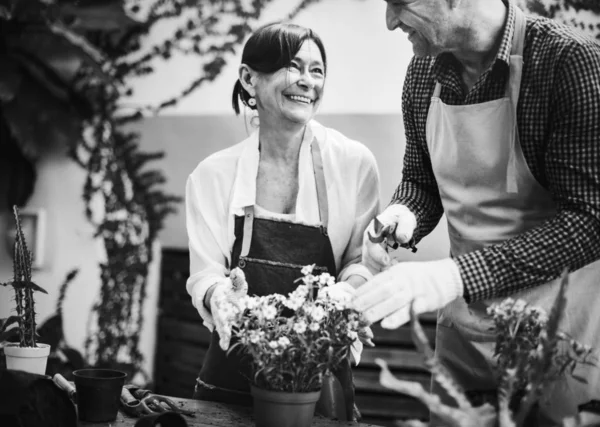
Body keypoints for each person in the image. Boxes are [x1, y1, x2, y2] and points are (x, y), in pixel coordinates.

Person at [354, 0, 600, 424]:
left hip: (559, 340)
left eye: (400, 4)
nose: (391, 22)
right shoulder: (422, 73)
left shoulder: (568, 63)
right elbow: (420, 180)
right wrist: (402, 216)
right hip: (464, 340)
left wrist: (453, 276)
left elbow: (589, 220)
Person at [185, 22, 380, 420]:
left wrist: (344, 296)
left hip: (319, 384)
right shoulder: (212, 175)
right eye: (294, 66)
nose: (307, 81)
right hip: (229, 383)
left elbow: (365, 261)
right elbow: (204, 274)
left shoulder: (353, 164)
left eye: (318, 70)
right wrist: (219, 297)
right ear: (248, 78)